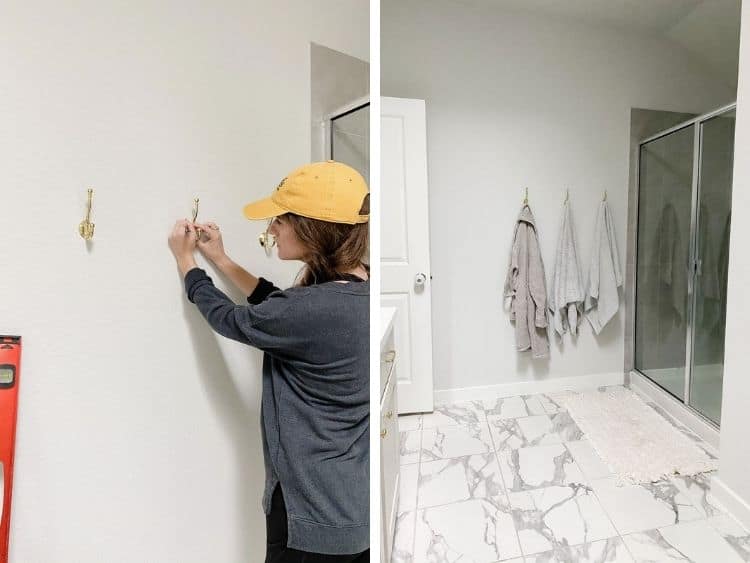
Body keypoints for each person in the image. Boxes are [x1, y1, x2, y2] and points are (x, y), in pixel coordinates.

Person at [167, 161, 370, 562]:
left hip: (308, 515)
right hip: (351, 505)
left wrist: (187, 263)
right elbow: (280, 307)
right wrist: (222, 261)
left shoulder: (308, 309)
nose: (273, 228)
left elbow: (231, 319)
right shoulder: (359, 287)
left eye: (281, 219)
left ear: (312, 227)